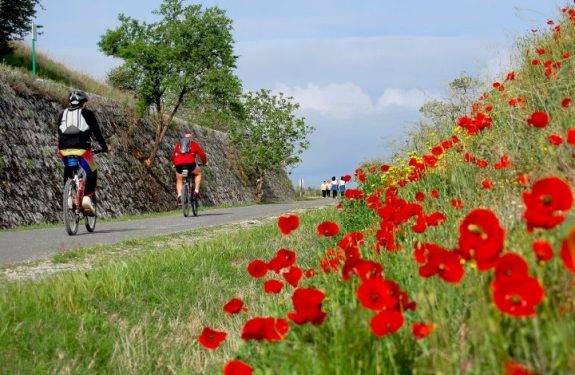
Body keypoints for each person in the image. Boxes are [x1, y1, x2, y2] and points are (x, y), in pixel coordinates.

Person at [57, 90, 111, 213]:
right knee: (92, 171)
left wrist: (61, 148)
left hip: (64, 150)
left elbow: (60, 133)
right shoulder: (87, 113)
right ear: (83, 103)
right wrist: (105, 147)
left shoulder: (62, 114)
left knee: (68, 169)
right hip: (82, 150)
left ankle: (69, 197)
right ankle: (87, 197)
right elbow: (97, 133)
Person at [172, 131, 207, 205]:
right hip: (190, 165)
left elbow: (174, 156)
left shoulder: (178, 145)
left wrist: (174, 164)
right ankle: (196, 191)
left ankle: (179, 196)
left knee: (179, 179)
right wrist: (204, 162)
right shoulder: (194, 144)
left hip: (179, 165)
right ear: (191, 138)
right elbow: (202, 154)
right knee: (198, 173)